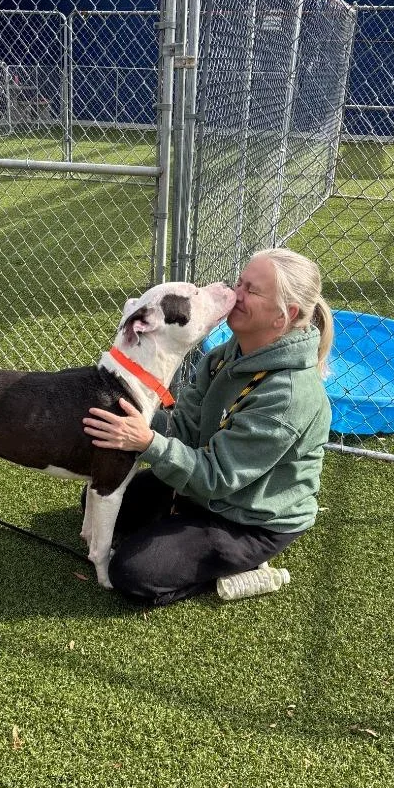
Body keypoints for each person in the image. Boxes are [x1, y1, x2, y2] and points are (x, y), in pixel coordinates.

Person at [81, 247, 333, 608]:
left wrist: (147, 441)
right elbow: (184, 428)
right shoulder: (223, 357)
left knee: (132, 573)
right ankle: (180, 525)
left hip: (249, 517)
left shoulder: (289, 396)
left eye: (252, 290)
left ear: (284, 316)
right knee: (97, 500)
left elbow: (218, 477)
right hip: (202, 488)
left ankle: (244, 567)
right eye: (240, 282)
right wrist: (135, 409)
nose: (237, 294)